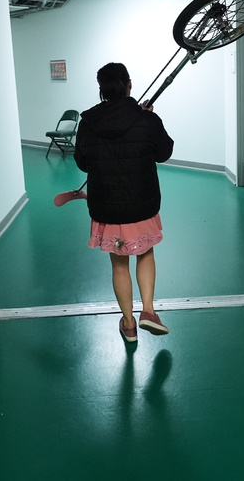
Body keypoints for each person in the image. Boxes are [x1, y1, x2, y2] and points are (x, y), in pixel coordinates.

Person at [74, 62, 175, 343]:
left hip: (107, 208)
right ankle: (149, 311)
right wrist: (149, 120)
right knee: (145, 253)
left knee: (119, 264)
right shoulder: (146, 119)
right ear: (129, 84)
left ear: (102, 90)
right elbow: (164, 152)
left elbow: (82, 163)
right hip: (142, 205)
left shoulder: (88, 123)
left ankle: (128, 324)